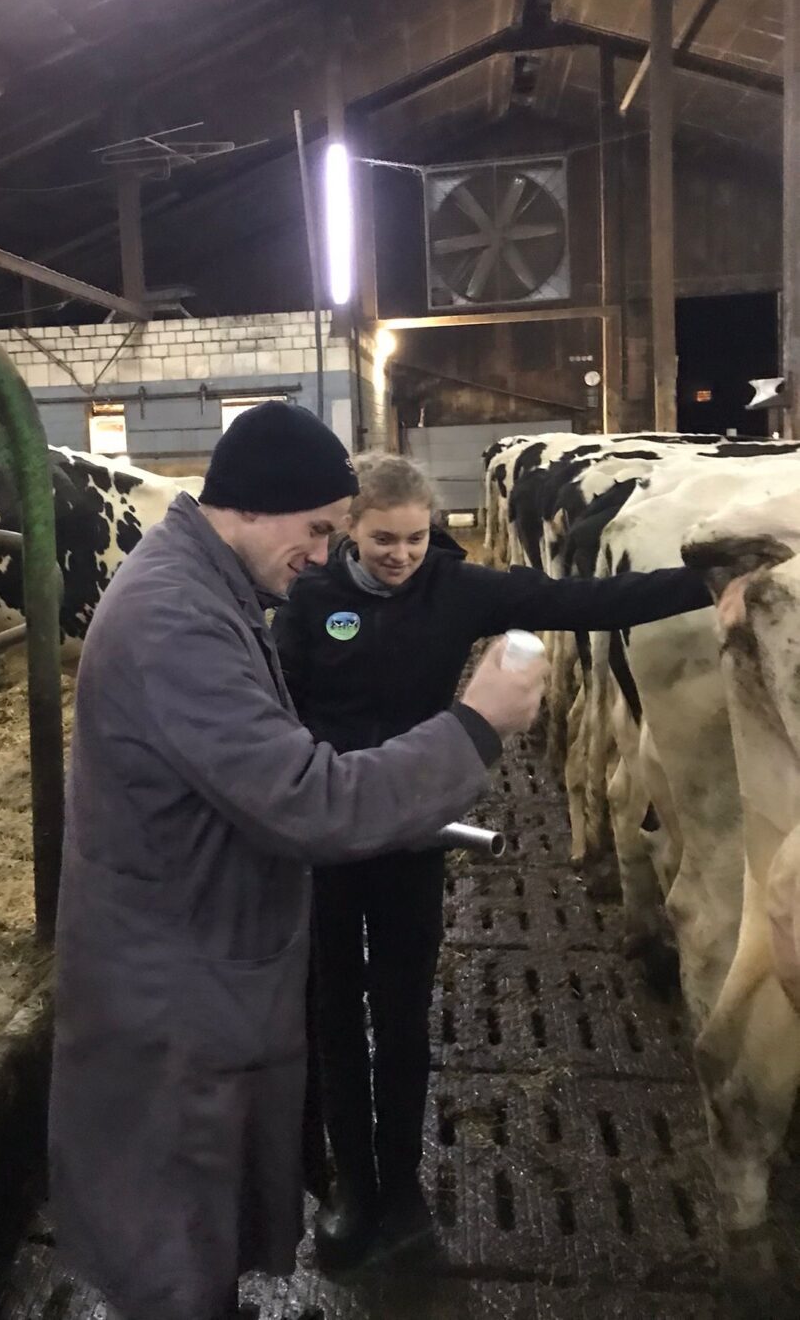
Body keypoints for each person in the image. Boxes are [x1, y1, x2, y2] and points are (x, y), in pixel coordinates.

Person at [47, 405, 548, 1320]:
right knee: (172, 1238)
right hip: (173, 993)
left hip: (192, 963)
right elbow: (307, 799)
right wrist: (474, 727)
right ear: (256, 506)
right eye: (318, 529)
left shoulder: (210, 592)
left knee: (193, 1219)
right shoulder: (176, 622)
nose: (326, 554)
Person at [271, 451, 713, 1271]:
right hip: (329, 836)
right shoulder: (309, 597)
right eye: (381, 540)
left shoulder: (456, 588)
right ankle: (350, 1188)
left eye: (414, 538)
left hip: (413, 833)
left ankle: (399, 1189)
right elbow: (279, 702)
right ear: (349, 533)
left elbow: (583, 601)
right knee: (332, 1011)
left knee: (401, 1013)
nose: (399, 555)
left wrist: (707, 581)